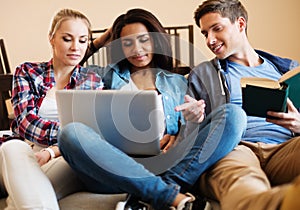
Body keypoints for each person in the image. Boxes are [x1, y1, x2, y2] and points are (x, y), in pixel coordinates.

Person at [58, 8, 247, 210]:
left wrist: (187, 128)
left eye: (143, 40)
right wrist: (107, 35)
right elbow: (73, 59)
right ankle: (166, 194)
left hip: (168, 165)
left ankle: (150, 194)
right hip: (116, 170)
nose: (137, 49)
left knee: (234, 115)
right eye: (127, 43)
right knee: (70, 133)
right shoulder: (105, 77)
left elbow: (193, 131)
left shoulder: (178, 82)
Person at [182, 0, 300, 209]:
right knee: (241, 181)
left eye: (216, 29)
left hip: (286, 149)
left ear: (240, 24)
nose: (210, 40)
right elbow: (189, 138)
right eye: (205, 33)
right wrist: (194, 121)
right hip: (236, 149)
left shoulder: (288, 70)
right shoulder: (202, 75)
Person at [0, 8, 103, 209]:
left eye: (83, 40)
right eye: (67, 39)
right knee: (13, 147)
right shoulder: (28, 71)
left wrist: (56, 149)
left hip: (61, 156)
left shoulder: (93, 81)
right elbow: (24, 123)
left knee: (27, 194)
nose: (76, 47)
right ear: (51, 38)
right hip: (24, 149)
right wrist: (70, 134)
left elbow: (92, 132)